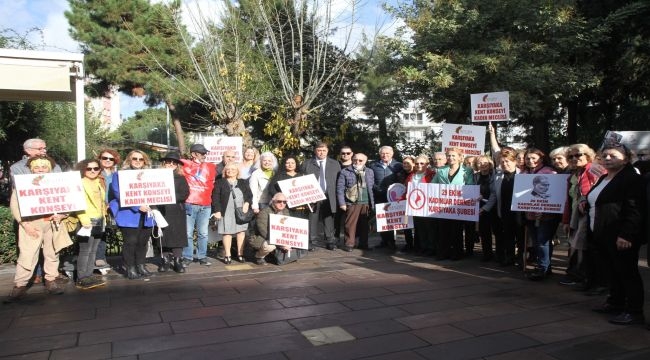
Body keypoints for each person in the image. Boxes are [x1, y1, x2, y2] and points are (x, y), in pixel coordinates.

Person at [588, 144, 645, 325]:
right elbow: (595, 198)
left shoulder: (631, 178)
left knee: (627, 273)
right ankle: (615, 303)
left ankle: (634, 311)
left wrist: (627, 235)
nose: (607, 158)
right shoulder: (605, 177)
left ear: (626, 159)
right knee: (612, 271)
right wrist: (584, 202)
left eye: (612, 155)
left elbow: (635, 209)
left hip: (620, 235)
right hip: (602, 233)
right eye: (604, 155)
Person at [6, 155, 67, 302]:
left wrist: (62, 215)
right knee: (27, 254)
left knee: (52, 252)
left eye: (44, 167)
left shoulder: (57, 183)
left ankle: (51, 280)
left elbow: (67, 201)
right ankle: (20, 285)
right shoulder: (23, 184)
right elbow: (15, 205)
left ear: (50, 168)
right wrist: (24, 224)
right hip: (31, 223)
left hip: (52, 223)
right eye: (37, 167)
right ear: (32, 169)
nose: (41, 169)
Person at [109, 150, 155, 280]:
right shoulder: (119, 175)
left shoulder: (150, 175)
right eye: (135, 158)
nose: (138, 161)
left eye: (141, 159)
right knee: (131, 241)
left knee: (142, 242)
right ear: (129, 160)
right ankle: (130, 268)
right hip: (128, 213)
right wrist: (137, 206)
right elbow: (119, 193)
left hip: (147, 214)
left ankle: (141, 265)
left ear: (145, 161)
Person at [560, 144, 600, 288]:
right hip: (576, 216)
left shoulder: (594, 169)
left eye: (578, 155)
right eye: (571, 156)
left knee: (582, 246)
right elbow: (568, 200)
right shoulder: (573, 175)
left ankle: (585, 278)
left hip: (589, 216)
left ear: (588, 155)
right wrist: (565, 220)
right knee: (577, 246)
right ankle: (581, 276)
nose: (574, 158)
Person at [483, 147, 523, 267]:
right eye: (502, 162)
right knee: (508, 236)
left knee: (521, 237)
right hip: (505, 211)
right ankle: (509, 257)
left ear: (515, 161)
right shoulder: (498, 176)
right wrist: (485, 208)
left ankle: (521, 259)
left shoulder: (523, 175)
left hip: (520, 212)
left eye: (507, 161)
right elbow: (494, 195)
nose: (505, 164)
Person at [432, 147, 474, 260]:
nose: (451, 158)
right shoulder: (441, 170)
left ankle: (457, 253)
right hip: (443, 206)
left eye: (453, 155)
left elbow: (470, 186)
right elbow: (432, 185)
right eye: (449, 155)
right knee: (443, 230)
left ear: (460, 157)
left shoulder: (467, 171)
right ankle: (443, 253)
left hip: (459, 205)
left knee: (457, 230)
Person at [523, 148, 557, 281]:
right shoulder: (525, 173)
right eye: (528, 158)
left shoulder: (549, 172)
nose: (530, 161)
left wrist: (545, 210)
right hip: (530, 214)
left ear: (541, 159)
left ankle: (543, 268)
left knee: (543, 242)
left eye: (533, 158)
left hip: (546, 215)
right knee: (537, 242)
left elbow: (553, 195)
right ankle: (545, 266)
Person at [180, 144, 217, 267]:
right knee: (188, 233)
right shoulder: (184, 164)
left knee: (203, 233)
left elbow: (227, 166)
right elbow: (171, 164)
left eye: (205, 153)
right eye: (202, 153)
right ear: (194, 154)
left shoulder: (210, 166)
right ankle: (187, 257)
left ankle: (202, 256)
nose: (204, 155)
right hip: (189, 203)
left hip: (205, 205)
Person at [74, 158, 107, 290]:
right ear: (83, 169)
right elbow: (77, 203)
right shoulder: (80, 183)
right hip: (86, 221)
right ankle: (81, 278)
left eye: (96, 168)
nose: (93, 171)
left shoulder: (99, 182)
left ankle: (88, 274)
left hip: (99, 220)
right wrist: (84, 220)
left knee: (93, 250)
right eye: (89, 168)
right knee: (85, 250)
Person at [301, 142, 341, 250]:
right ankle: (312, 241)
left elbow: (339, 181)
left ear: (327, 151)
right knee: (312, 218)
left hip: (329, 195)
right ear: (315, 151)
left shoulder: (335, 163)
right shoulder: (307, 163)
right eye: (319, 150)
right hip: (313, 195)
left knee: (328, 218)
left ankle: (330, 240)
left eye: (324, 150)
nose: (321, 152)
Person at [212, 163, 253, 264]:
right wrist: (217, 211)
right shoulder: (220, 182)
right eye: (228, 169)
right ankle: (228, 255)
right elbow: (215, 197)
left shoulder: (243, 182)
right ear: (225, 171)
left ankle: (240, 254)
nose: (230, 171)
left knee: (241, 232)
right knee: (227, 233)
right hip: (226, 211)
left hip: (240, 211)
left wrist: (247, 204)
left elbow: (249, 195)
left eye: (233, 169)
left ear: (238, 171)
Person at [156, 152, 190, 273]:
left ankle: (177, 261)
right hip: (161, 210)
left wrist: (169, 196)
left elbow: (185, 193)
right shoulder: (156, 177)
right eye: (168, 162)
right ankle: (165, 260)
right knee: (163, 236)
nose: (171, 164)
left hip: (176, 210)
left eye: (173, 162)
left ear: (177, 165)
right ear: (164, 163)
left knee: (177, 236)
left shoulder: (181, 178)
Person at [337, 153, 375, 252]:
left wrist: (373, 203)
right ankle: (349, 244)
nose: (357, 162)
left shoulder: (370, 171)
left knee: (364, 225)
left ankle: (363, 244)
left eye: (360, 160)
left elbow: (371, 188)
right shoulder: (344, 172)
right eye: (355, 160)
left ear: (365, 161)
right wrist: (342, 203)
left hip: (366, 202)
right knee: (350, 224)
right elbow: (340, 189)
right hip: (352, 202)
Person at [368, 146, 403, 250]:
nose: (385, 155)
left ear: (392, 154)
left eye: (387, 153)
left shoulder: (398, 165)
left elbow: (401, 179)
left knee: (391, 219)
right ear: (380, 154)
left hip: (393, 197)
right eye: (383, 153)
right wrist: (376, 188)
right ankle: (384, 241)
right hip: (379, 196)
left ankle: (392, 242)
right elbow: (370, 180)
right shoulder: (373, 165)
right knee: (381, 220)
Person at [95, 148, 121, 268]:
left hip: (115, 206)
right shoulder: (95, 173)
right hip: (100, 207)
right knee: (100, 232)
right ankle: (99, 258)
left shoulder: (118, 174)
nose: (108, 160)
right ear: (99, 159)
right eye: (105, 158)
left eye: (111, 158)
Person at [405, 154, 436, 255]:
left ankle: (431, 248)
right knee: (420, 228)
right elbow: (407, 190)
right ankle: (423, 247)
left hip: (428, 206)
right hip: (415, 206)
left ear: (427, 164)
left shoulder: (432, 174)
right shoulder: (411, 176)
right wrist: (404, 196)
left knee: (429, 228)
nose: (419, 165)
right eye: (417, 163)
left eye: (422, 163)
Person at [251, 192, 291, 265]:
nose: (282, 204)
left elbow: (288, 227)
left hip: (279, 237)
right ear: (273, 201)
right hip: (262, 237)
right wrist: (280, 243)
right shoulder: (264, 212)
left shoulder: (286, 211)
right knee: (270, 246)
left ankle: (273, 255)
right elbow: (263, 231)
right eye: (279, 201)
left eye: (284, 202)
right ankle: (259, 256)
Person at [474, 155, 497, 262]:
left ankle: (500, 253)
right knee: (484, 232)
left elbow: (494, 193)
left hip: (494, 206)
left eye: (485, 162)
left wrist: (486, 204)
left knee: (497, 231)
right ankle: (487, 253)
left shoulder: (495, 175)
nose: (482, 164)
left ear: (490, 163)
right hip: (480, 207)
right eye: (479, 162)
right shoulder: (475, 176)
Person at [335, 146, 354, 241]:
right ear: (340, 155)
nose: (345, 155)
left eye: (348, 153)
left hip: (352, 198)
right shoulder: (335, 166)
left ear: (352, 154)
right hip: (337, 196)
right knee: (336, 219)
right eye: (343, 153)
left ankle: (349, 240)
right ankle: (336, 238)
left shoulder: (356, 165)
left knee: (350, 221)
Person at [400, 156, 416, 252]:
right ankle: (409, 244)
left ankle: (417, 244)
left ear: (413, 163)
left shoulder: (416, 174)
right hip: (404, 204)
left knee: (416, 225)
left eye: (408, 163)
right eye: (404, 163)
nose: (405, 165)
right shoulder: (400, 174)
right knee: (406, 224)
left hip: (415, 204)